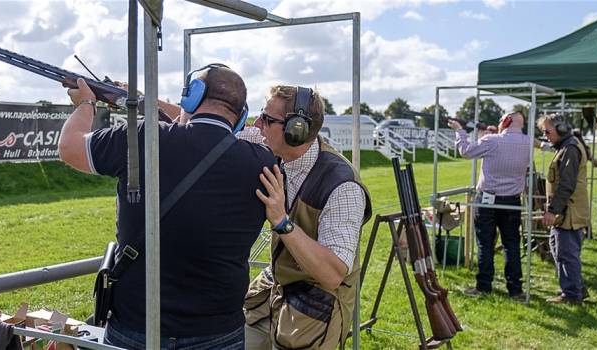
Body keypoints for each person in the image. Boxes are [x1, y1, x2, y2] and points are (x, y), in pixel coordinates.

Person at [58, 65, 276, 349]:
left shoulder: (143, 137)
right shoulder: (263, 163)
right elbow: (226, 137)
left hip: (138, 325)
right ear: (242, 114)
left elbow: (70, 147)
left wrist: (86, 103)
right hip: (220, 329)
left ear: (191, 97)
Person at [241, 85, 372, 350]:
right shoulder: (278, 146)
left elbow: (332, 273)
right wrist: (149, 104)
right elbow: (216, 130)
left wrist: (281, 222)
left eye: (266, 119)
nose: (257, 124)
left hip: (315, 306)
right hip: (274, 289)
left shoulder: (342, 186)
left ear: (295, 131)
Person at [448, 111, 530, 301]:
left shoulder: (492, 140)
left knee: (485, 244)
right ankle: (515, 289)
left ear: (506, 121)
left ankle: (484, 286)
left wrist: (460, 131)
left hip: (487, 199)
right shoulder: (527, 142)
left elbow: (465, 152)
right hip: (512, 200)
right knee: (511, 244)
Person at [538, 114, 589, 305]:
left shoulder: (570, 149)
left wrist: (552, 210)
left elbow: (566, 185)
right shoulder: (566, 147)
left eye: (547, 131)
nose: (545, 135)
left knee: (567, 254)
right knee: (560, 252)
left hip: (569, 212)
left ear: (560, 130)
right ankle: (572, 290)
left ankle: (572, 295)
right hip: (565, 211)